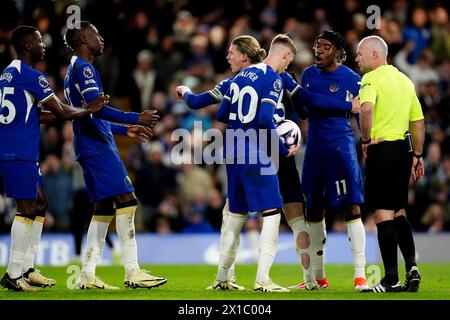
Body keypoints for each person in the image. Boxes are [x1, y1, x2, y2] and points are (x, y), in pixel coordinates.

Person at [0, 25, 108, 292]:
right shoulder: (34, 77)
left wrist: (77, 112)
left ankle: (28, 268)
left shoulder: (8, 73)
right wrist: (88, 109)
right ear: (27, 46)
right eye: (39, 41)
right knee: (26, 209)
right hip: (17, 152)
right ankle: (13, 274)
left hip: (18, 149)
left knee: (39, 202)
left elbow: (37, 114)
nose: (43, 45)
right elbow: (60, 111)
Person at [63, 21, 166, 290]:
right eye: (96, 33)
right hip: (97, 147)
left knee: (103, 209)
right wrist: (137, 116)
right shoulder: (85, 69)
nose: (101, 38)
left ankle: (87, 274)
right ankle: (133, 271)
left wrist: (125, 128)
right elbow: (98, 111)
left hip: (90, 144)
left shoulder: (74, 69)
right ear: (84, 38)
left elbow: (92, 113)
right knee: (128, 200)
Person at [285, 31, 368, 291]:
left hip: (340, 149)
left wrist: (367, 142)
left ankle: (360, 276)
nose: (318, 50)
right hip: (315, 151)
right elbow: (305, 110)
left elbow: (359, 115)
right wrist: (295, 93)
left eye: (325, 47)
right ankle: (318, 277)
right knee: (314, 209)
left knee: (351, 209)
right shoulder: (309, 74)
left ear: (338, 52)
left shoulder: (352, 79)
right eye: (317, 46)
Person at [214, 34, 297, 292]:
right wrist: (283, 148)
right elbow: (263, 119)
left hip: (232, 151)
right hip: (255, 151)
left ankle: (222, 279)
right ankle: (263, 279)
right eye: (289, 61)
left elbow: (220, 114)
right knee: (272, 211)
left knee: (236, 215)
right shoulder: (272, 78)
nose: (287, 67)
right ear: (284, 55)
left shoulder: (237, 78)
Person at [356, 35, 425, 293]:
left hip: (381, 149)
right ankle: (412, 269)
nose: (357, 58)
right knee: (398, 212)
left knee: (382, 214)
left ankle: (390, 279)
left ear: (375, 55)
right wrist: (417, 155)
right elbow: (417, 121)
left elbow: (365, 109)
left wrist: (365, 140)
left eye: (360, 53)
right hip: (404, 151)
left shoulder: (371, 79)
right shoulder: (405, 80)